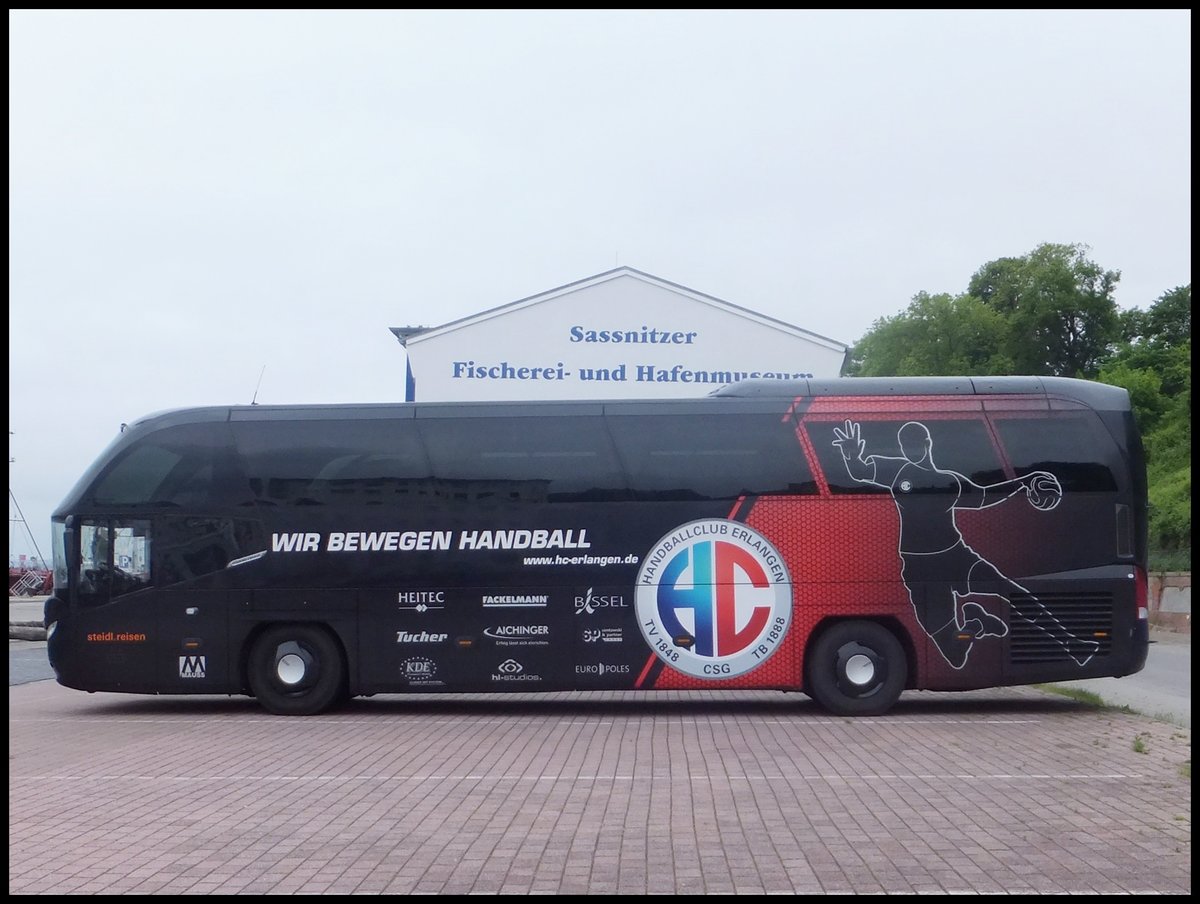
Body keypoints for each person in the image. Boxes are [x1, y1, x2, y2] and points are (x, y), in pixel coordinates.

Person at [831, 419, 1099, 670]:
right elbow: (860, 472)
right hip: (919, 568)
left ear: (927, 444)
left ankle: (1072, 643)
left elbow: (983, 497)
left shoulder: (950, 480)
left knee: (1012, 592)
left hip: (956, 558)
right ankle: (975, 624)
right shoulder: (896, 471)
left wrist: (1023, 482)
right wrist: (851, 454)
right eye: (905, 445)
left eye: (915, 444)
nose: (910, 450)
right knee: (955, 655)